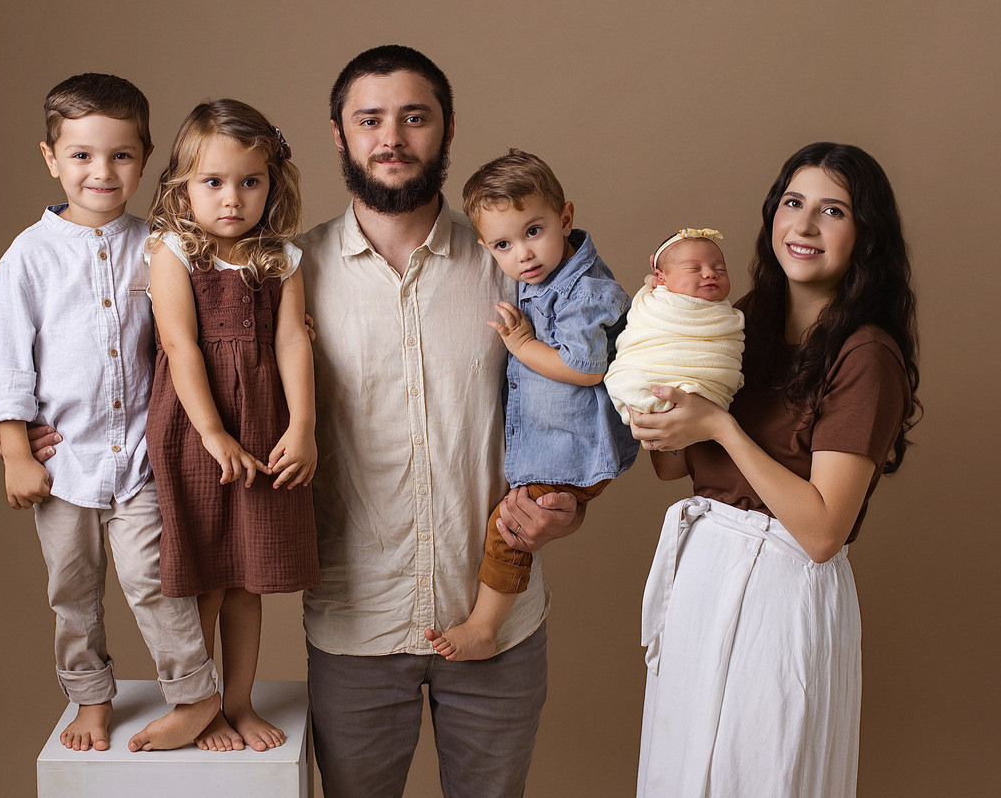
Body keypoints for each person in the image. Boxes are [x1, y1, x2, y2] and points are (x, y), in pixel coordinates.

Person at [297, 46, 584, 798]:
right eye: (370, 120)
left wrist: (570, 504)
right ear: (340, 134)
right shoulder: (292, 273)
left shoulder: (514, 265)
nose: (391, 138)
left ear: (448, 129)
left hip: (499, 624)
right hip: (355, 623)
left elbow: (578, 403)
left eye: (414, 118)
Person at [629, 142, 920, 796]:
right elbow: (673, 466)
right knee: (682, 775)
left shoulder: (866, 356)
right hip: (701, 579)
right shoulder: (741, 322)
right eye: (793, 202)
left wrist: (720, 426)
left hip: (781, 595)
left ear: (866, 236)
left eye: (833, 210)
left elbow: (822, 532)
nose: (805, 225)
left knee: (759, 773)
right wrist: (661, 342)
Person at [0, 73, 221, 754]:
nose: (102, 171)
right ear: (50, 158)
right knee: (72, 589)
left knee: (155, 581)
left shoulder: (159, 245)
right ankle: (90, 696)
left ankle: (195, 695)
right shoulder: (28, 257)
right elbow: (9, 362)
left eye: (121, 155)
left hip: (140, 457)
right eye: (82, 155)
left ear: (144, 158)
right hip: (64, 463)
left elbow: (207, 323)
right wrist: (16, 452)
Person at [144, 99, 319, 753]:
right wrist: (214, 435)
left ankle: (240, 703)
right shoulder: (173, 252)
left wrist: (303, 426)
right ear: (183, 187)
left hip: (265, 426)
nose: (232, 198)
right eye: (213, 181)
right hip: (196, 429)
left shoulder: (282, 259)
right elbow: (179, 345)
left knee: (250, 578)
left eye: (250, 181)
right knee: (207, 579)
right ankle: (202, 707)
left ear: (272, 185)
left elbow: (292, 344)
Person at [425, 149, 637, 662]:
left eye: (534, 231)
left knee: (509, 530)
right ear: (486, 248)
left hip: (573, 449)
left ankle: (484, 628)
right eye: (504, 244)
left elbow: (585, 367)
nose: (523, 254)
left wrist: (521, 345)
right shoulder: (539, 278)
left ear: (566, 218)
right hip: (554, 445)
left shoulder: (584, 290)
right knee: (513, 522)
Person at [605, 228, 745, 424]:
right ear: (661, 278)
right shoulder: (654, 304)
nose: (710, 274)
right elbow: (637, 341)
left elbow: (727, 349)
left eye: (720, 269)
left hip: (707, 394)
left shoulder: (727, 315)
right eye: (694, 269)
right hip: (649, 380)